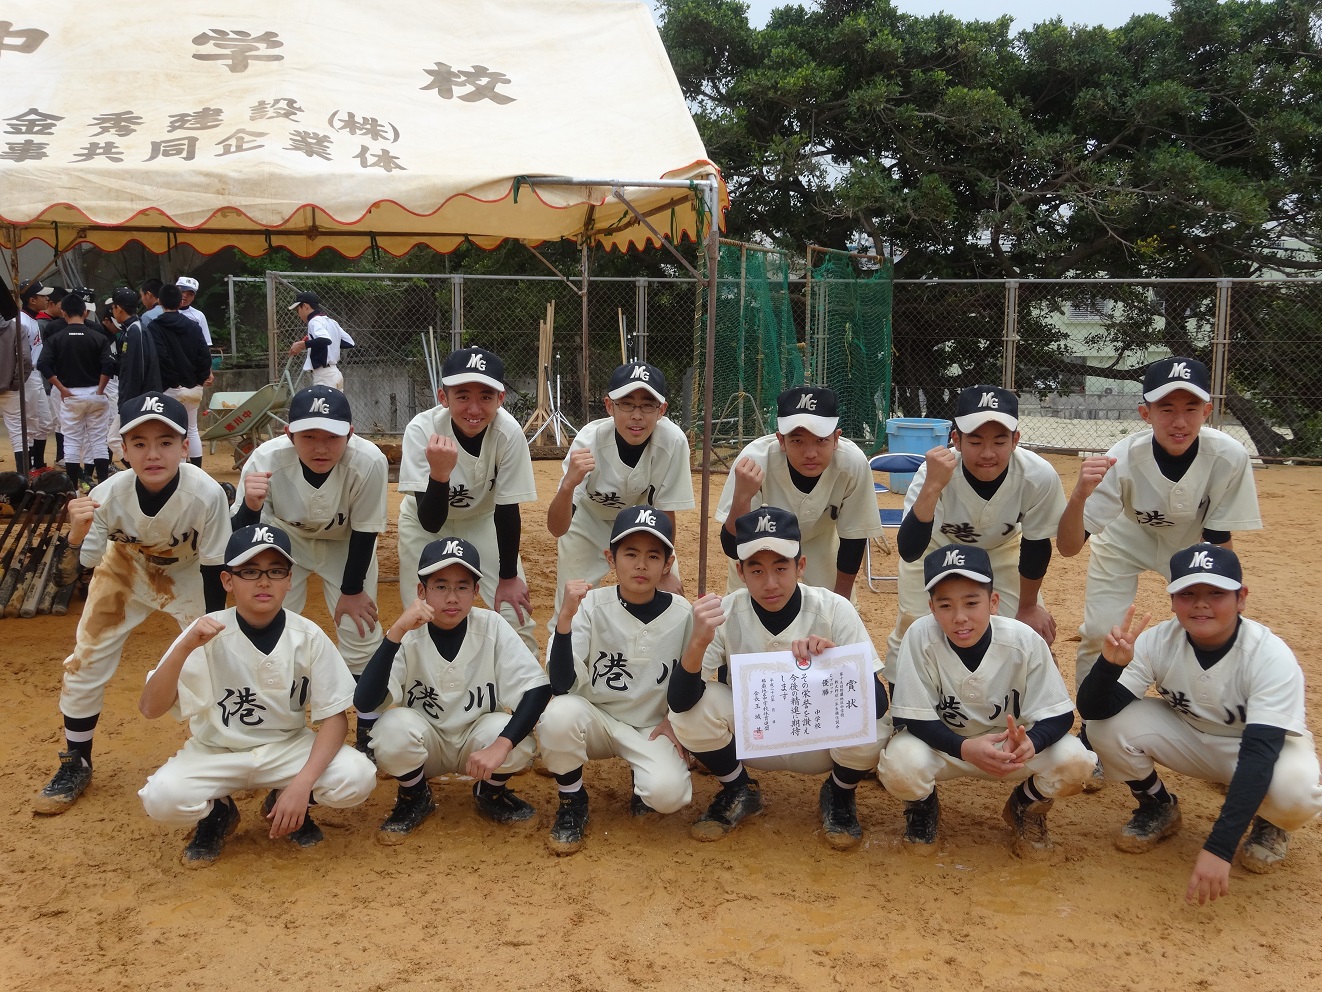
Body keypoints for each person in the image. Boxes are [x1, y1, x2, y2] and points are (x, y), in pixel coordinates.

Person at [1077, 544, 1322, 904]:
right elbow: (1096, 711)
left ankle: (1272, 824)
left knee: (1298, 791)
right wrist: (1109, 666)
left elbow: (1258, 755)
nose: (1201, 604)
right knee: (1103, 729)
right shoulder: (1158, 640)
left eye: (1216, 593)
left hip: (1257, 751)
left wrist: (1219, 848)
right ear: (1173, 600)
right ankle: (1158, 806)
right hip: (1190, 736)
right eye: (1188, 593)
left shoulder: (1269, 656)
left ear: (1242, 598)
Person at [1057, 356, 1262, 775]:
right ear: (1145, 413)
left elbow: (1219, 541)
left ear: (1208, 410)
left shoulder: (1228, 456)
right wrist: (1077, 497)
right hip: (1124, 540)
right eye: (1166, 408)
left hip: (1192, 548)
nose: (1179, 420)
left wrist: (1218, 597)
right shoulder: (1123, 457)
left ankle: (1220, 726)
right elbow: (1069, 547)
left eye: (1191, 408)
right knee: (1100, 633)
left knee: (1213, 629)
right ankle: (1092, 733)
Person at [32, 392, 231, 815]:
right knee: (85, 659)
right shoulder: (107, 495)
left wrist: (209, 627)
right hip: (125, 569)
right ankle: (76, 760)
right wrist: (75, 534)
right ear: (123, 450)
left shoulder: (207, 495)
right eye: (139, 443)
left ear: (184, 447)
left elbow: (215, 571)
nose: (152, 453)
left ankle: (221, 754)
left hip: (189, 572)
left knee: (214, 657)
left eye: (165, 442)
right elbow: (70, 577)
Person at [137, 524, 377, 867]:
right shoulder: (204, 632)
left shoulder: (307, 635)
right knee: (162, 799)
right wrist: (183, 648)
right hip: (217, 751)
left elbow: (335, 719)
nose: (264, 582)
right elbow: (150, 708)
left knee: (357, 777)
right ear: (227, 581)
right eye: (250, 571)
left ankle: (284, 800)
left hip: (287, 749)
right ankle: (218, 813)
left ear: (289, 580)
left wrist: (302, 786)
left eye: (275, 571)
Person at [668, 506, 890, 848]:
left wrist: (835, 663)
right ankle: (739, 788)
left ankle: (839, 793)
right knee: (694, 711)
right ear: (740, 572)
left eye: (781, 568)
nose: (770, 583)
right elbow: (680, 702)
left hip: (821, 745)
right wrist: (698, 642)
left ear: (800, 566)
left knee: (875, 729)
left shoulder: (834, 609)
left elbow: (876, 705)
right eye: (756, 570)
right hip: (752, 739)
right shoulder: (726, 612)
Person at [878, 545, 1096, 857]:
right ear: (932, 608)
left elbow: (1059, 715)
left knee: (1077, 761)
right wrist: (964, 747)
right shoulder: (920, 636)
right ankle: (923, 808)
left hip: (1012, 750)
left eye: (971, 602)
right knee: (899, 764)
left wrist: (1031, 742)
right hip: (947, 748)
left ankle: (1026, 805)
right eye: (945, 605)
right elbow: (913, 717)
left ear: (993, 602)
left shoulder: (1024, 641)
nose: (960, 617)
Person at [353, 537, 552, 844]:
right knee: (391, 730)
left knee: (515, 740)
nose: (452, 597)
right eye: (440, 586)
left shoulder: (492, 626)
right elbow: (366, 700)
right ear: (422, 592)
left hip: (478, 746)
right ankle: (414, 794)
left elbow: (537, 690)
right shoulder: (407, 634)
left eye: (462, 586)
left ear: (475, 591)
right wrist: (395, 632)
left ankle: (490, 792)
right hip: (426, 745)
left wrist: (501, 745)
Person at [232, 385, 388, 753]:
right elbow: (241, 537)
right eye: (308, 436)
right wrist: (251, 506)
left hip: (347, 544)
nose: (321, 447)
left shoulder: (369, 461)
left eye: (332, 436)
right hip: (285, 543)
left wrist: (352, 591)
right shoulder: (264, 459)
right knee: (274, 623)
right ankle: (273, 721)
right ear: (288, 434)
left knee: (360, 629)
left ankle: (369, 727)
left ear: (350, 433)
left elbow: (366, 530)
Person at [539, 506, 694, 855]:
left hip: (651, 728)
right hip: (595, 720)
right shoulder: (589, 606)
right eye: (630, 553)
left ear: (667, 564)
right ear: (611, 558)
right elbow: (561, 683)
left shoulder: (683, 613)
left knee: (669, 795)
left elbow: (693, 678)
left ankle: (642, 779)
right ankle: (572, 800)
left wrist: (677, 719)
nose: (641, 564)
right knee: (559, 714)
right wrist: (564, 619)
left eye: (653, 555)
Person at [883, 385, 1066, 678]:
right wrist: (932, 486)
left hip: (1000, 548)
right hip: (935, 546)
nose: (988, 453)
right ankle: (905, 709)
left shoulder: (1037, 475)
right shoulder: (935, 472)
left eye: (1000, 440)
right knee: (914, 624)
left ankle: (1038, 710)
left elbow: (1036, 543)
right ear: (956, 439)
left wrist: (1029, 606)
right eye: (976, 441)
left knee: (1028, 631)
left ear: (1016, 440)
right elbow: (909, 549)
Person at [395, 346, 538, 652]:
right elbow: (430, 521)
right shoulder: (422, 430)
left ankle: (527, 692)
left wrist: (508, 576)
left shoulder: (508, 433)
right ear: (443, 397)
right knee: (422, 613)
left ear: (501, 399)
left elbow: (507, 509)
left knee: (515, 612)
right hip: (423, 525)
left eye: (486, 396)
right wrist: (440, 475)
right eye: (462, 396)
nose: (474, 408)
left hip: (482, 520)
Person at [546, 362, 692, 622]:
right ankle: (561, 660)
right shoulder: (588, 442)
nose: (637, 415)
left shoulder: (673, 441)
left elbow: (665, 509)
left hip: (641, 525)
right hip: (586, 523)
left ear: (662, 410)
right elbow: (557, 528)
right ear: (609, 406)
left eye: (648, 405)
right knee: (570, 608)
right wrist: (568, 484)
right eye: (626, 403)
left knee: (671, 601)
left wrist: (665, 571)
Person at [715, 386, 881, 600]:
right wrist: (742, 497)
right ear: (781, 440)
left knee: (836, 608)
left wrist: (842, 603)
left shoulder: (853, 465)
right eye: (797, 440)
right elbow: (732, 547)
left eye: (821, 439)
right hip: (759, 541)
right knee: (742, 609)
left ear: (837, 438)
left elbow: (854, 539)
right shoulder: (754, 462)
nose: (810, 453)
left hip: (820, 537)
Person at [36, 293, 113, 489]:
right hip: (95, 393)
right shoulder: (98, 336)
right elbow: (108, 365)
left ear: (63, 313)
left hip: (69, 394)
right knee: (98, 440)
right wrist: (101, 389)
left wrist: (60, 388)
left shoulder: (56, 338)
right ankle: (102, 484)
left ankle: (72, 489)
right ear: (85, 312)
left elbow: (43, 364)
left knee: (71, 441)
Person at [149, 283, 212, 469]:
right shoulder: (193, 326)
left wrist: (174, 384)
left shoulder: (154, 327)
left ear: (159, 302)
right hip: (193, 388)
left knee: (172, 431)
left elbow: (162, 358)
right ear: (180, 301)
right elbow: (204, 355)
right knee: (192, 429)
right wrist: (199, 382)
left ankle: (178, 471)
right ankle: (196, 472)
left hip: (169, 389)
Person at [17, 280, 58, 473]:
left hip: (36, 375)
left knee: (45, 420)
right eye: (42, 296)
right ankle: (29, 467)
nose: (47, 299)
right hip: (27, 375)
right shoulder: (22, 321)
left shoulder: (31, 319)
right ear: (32, 300)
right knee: (31, 422)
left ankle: (38, 464)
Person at [288, 291, 354, 390]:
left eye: (298, 309)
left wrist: (303, 344)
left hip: (324, 377)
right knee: (334, 405)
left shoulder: (314, 321)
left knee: (323, 405)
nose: (298, 314)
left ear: (305, 306)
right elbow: (349, 342)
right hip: (335, 374)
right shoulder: (331, 321)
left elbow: (325, 340)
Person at [109, 286, 162, 405]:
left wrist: (129, 403)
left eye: (113, 307)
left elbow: (137, 370)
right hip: (134, 399)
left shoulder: (135, 330)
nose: (113, 311)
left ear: (120, 309)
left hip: (139, 401)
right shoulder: (129, 329)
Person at [0, 287, 33, 469]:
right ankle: (22, 475)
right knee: (18, 433)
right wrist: (16, 382)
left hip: (9, 387)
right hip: (9, 388)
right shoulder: (16, 328)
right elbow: (25, 359)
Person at [174, 276, 212, 346]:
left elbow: (206, 344)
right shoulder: (162, 311)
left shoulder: (199, 315)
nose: (185, 296)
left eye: (190, 294)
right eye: (182, 291)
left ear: (194, 297)